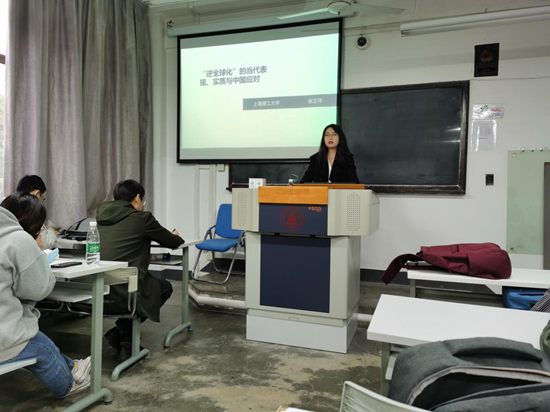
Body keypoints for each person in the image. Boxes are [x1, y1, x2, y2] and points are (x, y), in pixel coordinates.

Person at [0, 192, 91, 398]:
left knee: (40, 343)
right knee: (43, 348)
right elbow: (39, 289)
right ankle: (70, 384)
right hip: (3, 337)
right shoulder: (19, 239)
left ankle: (74, 367)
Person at [96, 179, 185, 355]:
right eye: (142, 200)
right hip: (125, 290)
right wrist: (174, 235)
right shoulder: (142, 218)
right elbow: (172, 242)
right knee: (164, 288)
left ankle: (123, 335)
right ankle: (121, 332)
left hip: (99, 287)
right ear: (137, 198)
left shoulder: (101, 217)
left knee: (148, 284)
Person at [16, 175, 58, 249]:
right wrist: (51, 233)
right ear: (37, 193)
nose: (41, 200)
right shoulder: (31, 212)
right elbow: (42, 245)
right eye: (41, 197)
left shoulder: (10, 206)